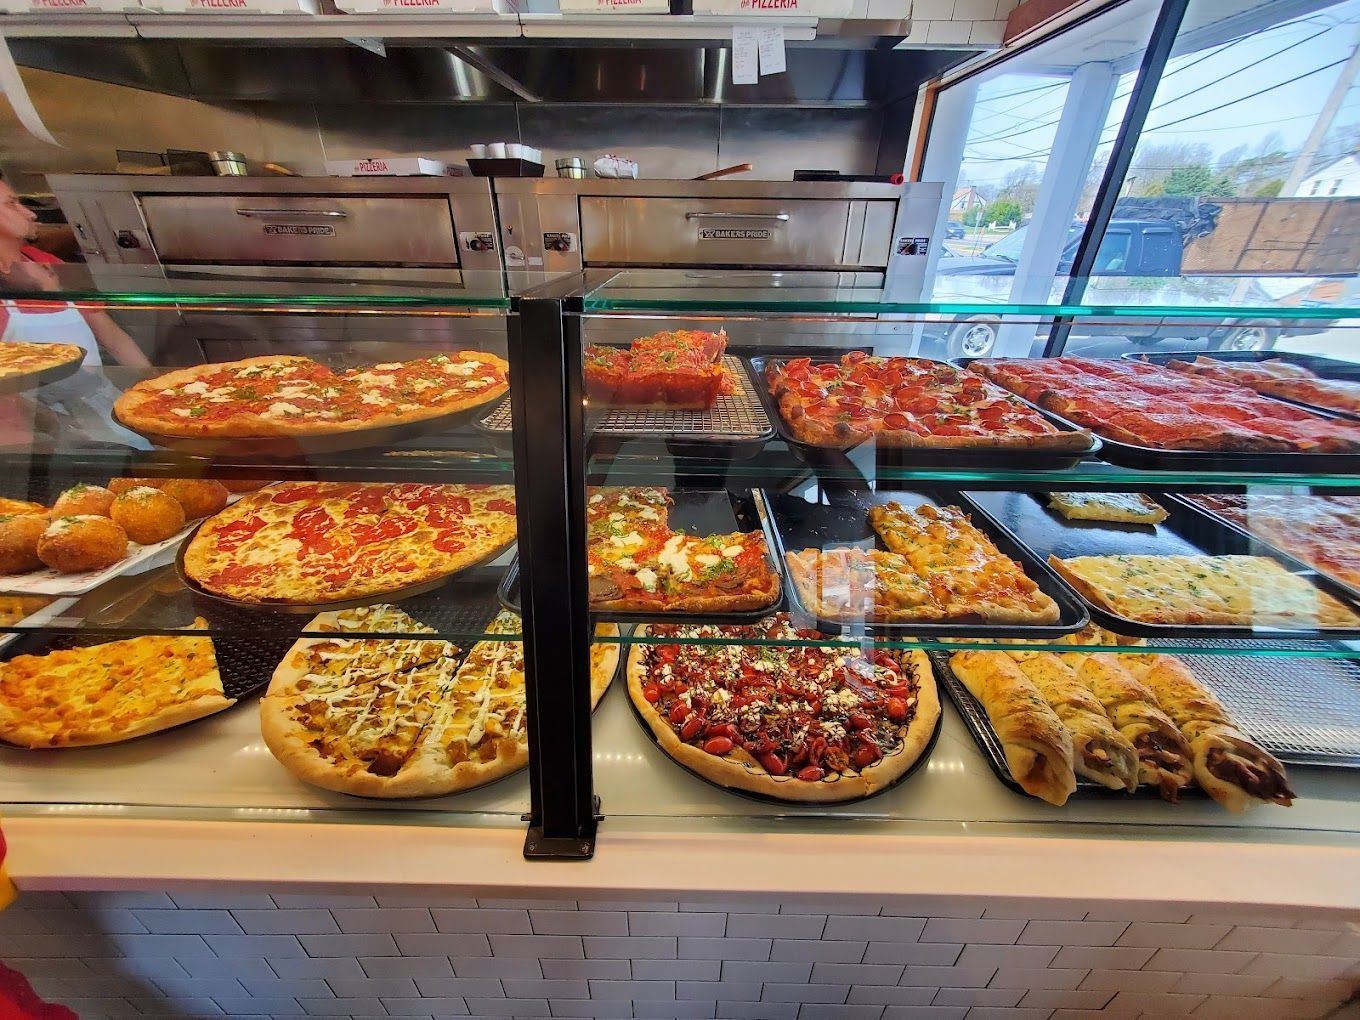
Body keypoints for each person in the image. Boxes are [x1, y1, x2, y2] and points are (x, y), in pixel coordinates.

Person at [0, 180, 151, 448]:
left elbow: (114, 338)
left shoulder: (49, 265)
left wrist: (153, 390)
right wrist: (51, 429)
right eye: (12, 204)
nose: (30, 213)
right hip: (39, 432)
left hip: (104, 406)